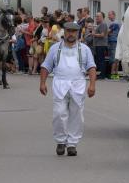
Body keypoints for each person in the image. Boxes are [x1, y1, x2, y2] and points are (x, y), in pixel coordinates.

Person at [39, 20, 97, 156]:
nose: (71, 34)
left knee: (77, 115)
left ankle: (72, 144)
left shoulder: (85, 49)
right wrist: (42, 82)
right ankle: (60, 141)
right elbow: (46, 66)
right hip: (60, 83)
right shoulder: (55, 48)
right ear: (64, 32)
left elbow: (91, 67)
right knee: (59, 114)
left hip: (78, 84)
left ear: (77, 33)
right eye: (68, 31)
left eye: (74, 31)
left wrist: (92, 85)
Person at [90, 12, 110, 80]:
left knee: (101, 60)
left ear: (102, 17)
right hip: (98, 45)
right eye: (96, 16)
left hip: (101, 45)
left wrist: (93, 34)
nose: (96, 17)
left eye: (98, 16)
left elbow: (102, 35)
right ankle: (101, 74)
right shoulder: (98, 25)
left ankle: (102, 75)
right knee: (99, 60)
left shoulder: (103, 24)